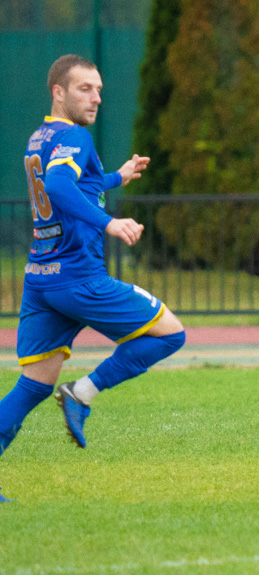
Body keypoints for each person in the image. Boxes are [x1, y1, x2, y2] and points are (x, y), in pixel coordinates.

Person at [0, 54, 185, 501]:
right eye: (85, 88)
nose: (96, 97)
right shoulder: (75, 137)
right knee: (170, 335)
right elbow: (61, 188)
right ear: (57, 92)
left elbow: (75, 183)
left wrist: (115, 177)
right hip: (78, 278)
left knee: (31, 387)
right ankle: (82, 394)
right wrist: (110, 224)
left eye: (99, 89)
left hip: (41, 279)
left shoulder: (40, 136)